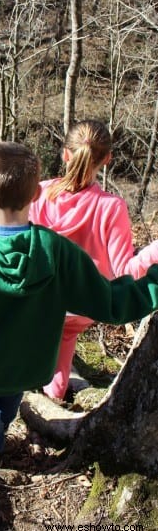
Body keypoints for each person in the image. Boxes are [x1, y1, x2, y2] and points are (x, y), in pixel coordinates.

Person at [0, 141, 158, 466]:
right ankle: (2, 424)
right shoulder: (59, 253)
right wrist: (153, 283)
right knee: (9, 398)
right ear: (35, 195)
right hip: (30, 368)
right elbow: (111, 303)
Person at [29, 119, 158, 401]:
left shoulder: (36, 194)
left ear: (65, 153)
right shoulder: (111, 208)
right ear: (108, 159)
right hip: (80, 308)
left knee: (45, 337)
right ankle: (52, 400)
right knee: (63, 340)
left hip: (35, 301)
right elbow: (126, 271)